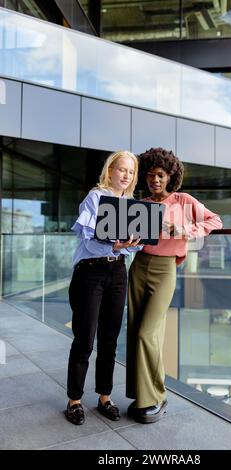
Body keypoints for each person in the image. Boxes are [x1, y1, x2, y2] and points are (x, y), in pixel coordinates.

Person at [126, 147, 223, 423]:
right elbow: (134, 240)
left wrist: (186, 231)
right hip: (139, 266)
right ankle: (141, 394)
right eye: (149, 175)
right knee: (135, 331)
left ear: (170, 176)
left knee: (148, 333)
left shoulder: (183, 201)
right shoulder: (141, 204)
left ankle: (157, 395)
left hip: (165, 269)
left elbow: (215, 219)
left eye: (160, 175)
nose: (154, 180)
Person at [66, 150, 141, 425]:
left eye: (131, 172)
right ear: (110, 171)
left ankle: (104, 397)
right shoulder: (96, 197)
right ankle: (74, 400)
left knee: (109, 338)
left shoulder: (132, 204)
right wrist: (115, 245)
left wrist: (133, 242)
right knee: (85, 337)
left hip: (118, 271)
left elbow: (139, 242)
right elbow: (88, 239)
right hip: (91, 271)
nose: (126, 175)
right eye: (122, 169)